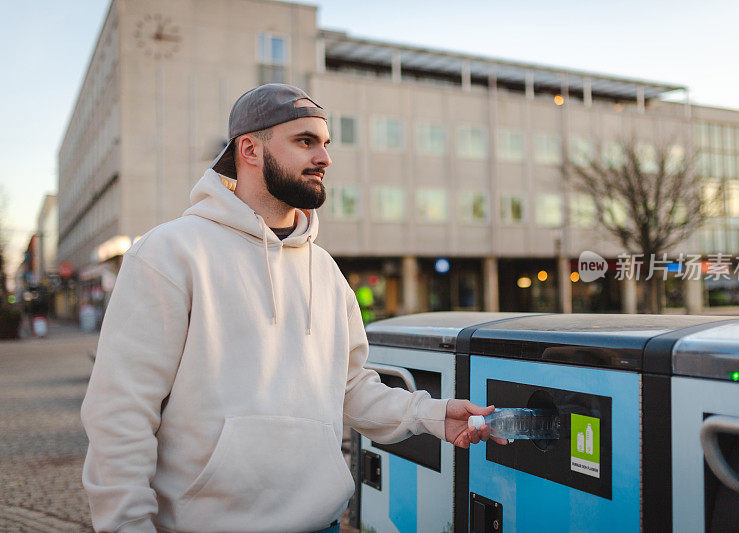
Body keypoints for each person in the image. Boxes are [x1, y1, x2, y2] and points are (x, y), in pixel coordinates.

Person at [81, 83, 505, 533]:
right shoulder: (170, 253)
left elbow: (351, 389)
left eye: (325, 144)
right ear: (249, 149)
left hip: (321, 522)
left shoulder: (325, 270)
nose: (324, 157)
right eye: (305, 141)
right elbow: (120, 412)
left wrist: (433, 415)